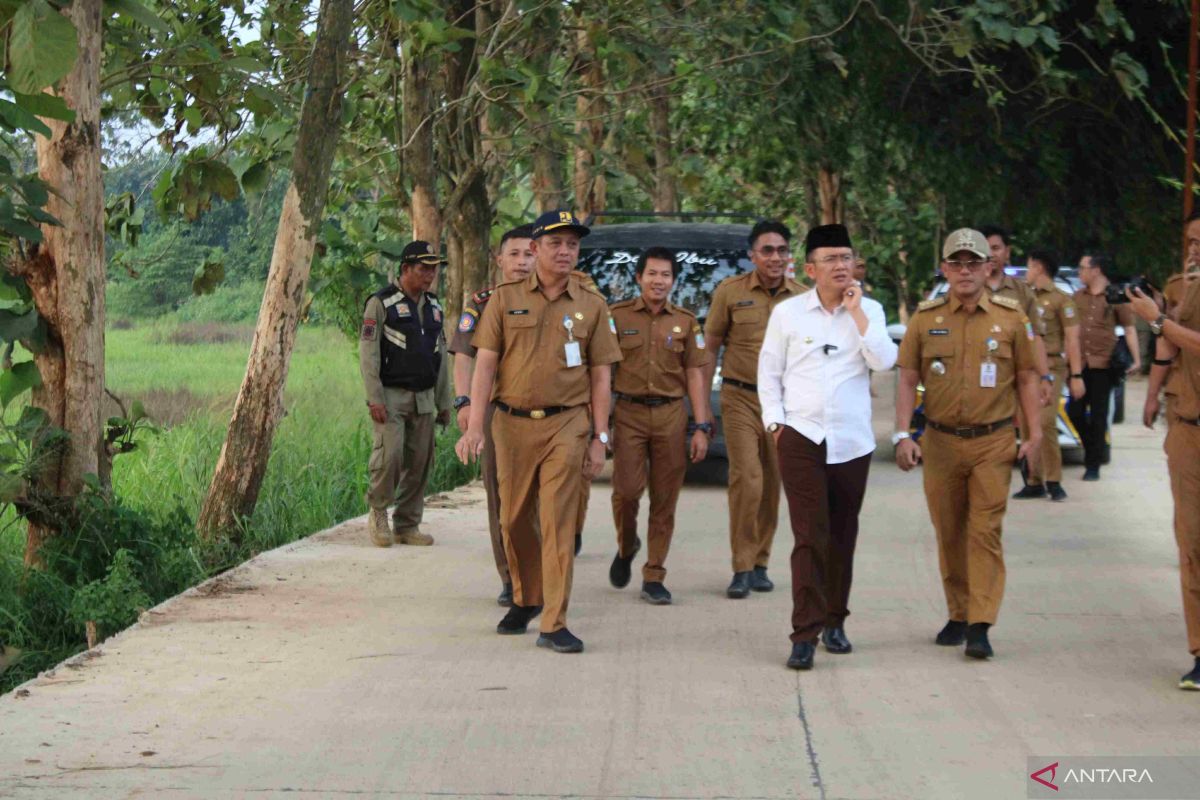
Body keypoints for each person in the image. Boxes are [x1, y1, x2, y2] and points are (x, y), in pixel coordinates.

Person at [455, 210, 621, 654]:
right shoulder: (504, 299)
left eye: (572, 244)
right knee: (512, 519)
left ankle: (554, 621)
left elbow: (602, 375)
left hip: (567, 423)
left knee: (557, 521)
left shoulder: (592, 304)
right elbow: (485, 361)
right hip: (510, 424)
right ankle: (526, 598)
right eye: (555, 244)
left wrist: (600, 438)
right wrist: (474, 424)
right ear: (535, 249)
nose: (565, 251)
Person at [895, 228, 1042, 660]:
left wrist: (1033, 435)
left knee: (985, 531)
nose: (965, 271)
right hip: (940, 441)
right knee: (949, 531)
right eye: (956, 263)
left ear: (987, 267)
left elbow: (1028, 377)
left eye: (973, 263)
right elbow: (906, 379)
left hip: (992, 441)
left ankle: (980, 623)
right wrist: (903, 434)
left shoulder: (1012, 317)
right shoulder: (925, 318)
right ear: (944, 268)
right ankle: (957, 613)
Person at [758, 224, 897, 671]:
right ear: (810, 268)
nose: (841, 266)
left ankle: (835, 620)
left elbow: (884, 361)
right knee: (808, 536)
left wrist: (857, 315)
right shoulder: (788, 313)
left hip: (851, 441)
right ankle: (804, 633)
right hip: (800, 436)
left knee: (842, 533)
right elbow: (769, 372)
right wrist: (775, 423)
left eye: (847, 258)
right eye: (831, 259)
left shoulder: (870, 309)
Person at [703, 220, 805, 598]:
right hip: (740, 397)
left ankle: (761, 562)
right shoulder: (730, 293)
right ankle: (741, 566)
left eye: (781, 250)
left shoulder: (803, 298)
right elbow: (709, 348)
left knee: (774, 481)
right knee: (747, 478)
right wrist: (701, 407)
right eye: (767, 251)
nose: (775, 257)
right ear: (752, 256)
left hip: (785, 404)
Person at [607, 247, 713, 605]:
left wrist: (701, 425)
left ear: (673, 280)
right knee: (625, 492)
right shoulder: (616, 317)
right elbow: (602, 372)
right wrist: (599, 425)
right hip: (628, 413)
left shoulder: (685, 321)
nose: (658, 280)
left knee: (665, 498)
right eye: (652, 273)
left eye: (665, 275)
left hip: (670, 415)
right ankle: (626, 545)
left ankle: (654, 574)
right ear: (638, 278)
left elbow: (695, 373)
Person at [449, 225, 535, 606]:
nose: (522, 262)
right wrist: (466, 405)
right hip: (498, 413)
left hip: (550, 415)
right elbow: (464, 356)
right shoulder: (482, 303)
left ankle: (542, 571)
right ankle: (510, 577)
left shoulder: (561, 300)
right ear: (499, 260)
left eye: (529, 254)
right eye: (514, 254)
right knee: (501, 499)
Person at [1129, 270, 1200, 690]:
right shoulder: (1182, 289)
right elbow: (1169, 347)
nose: (1194, 248)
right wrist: (1154, 392)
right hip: (1188, 428)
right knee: (1191, 543)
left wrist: (1158, 319)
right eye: (1191, 241)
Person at [360, 240, 452, 547]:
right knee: (391, 456)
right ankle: (379, 512)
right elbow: (368, 354)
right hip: (391, 395)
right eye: (423, 269)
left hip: (425, 396)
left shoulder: (435, 306)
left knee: (421, 460)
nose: (429, 276)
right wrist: (374, 398)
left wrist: (444, 402)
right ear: (405, 269)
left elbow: (441, 357)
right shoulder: (381, 303)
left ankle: (407, 524)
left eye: (433, 270)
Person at [1013, 250, 1084, 502]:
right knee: (1026, 422)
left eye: (1029, 267)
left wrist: (1076, 375)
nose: (1027, 272)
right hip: (1024, 369)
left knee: (1045, 422)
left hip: (1051, 368)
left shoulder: (1062, 300)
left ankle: (1053, 480)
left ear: (1039, 267)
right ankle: (1033, 480)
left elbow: (1073, 339)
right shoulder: (1024, 298)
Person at [1069, 252, 1141, 481]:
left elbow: (1129, 329)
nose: (1080, 272)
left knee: (1099, 416)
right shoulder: (1077, 297)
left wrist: (1137, 360)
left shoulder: (1115, 296)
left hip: (1104, 365)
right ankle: (1094, 450)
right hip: (1080, 365)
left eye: (1083, 268)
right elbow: (1070, 332)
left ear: (1096, 270)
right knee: (1075, 412)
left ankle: (1093, 466)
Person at [981, 226, 1053, 408]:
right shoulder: (967, 290)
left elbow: (1034, 336)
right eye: (985, 249)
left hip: (1014, 376)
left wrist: (1044, 377)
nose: (991, 254)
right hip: (975, 374)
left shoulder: (1023, 293)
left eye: (996, 248)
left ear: (1007, 252)